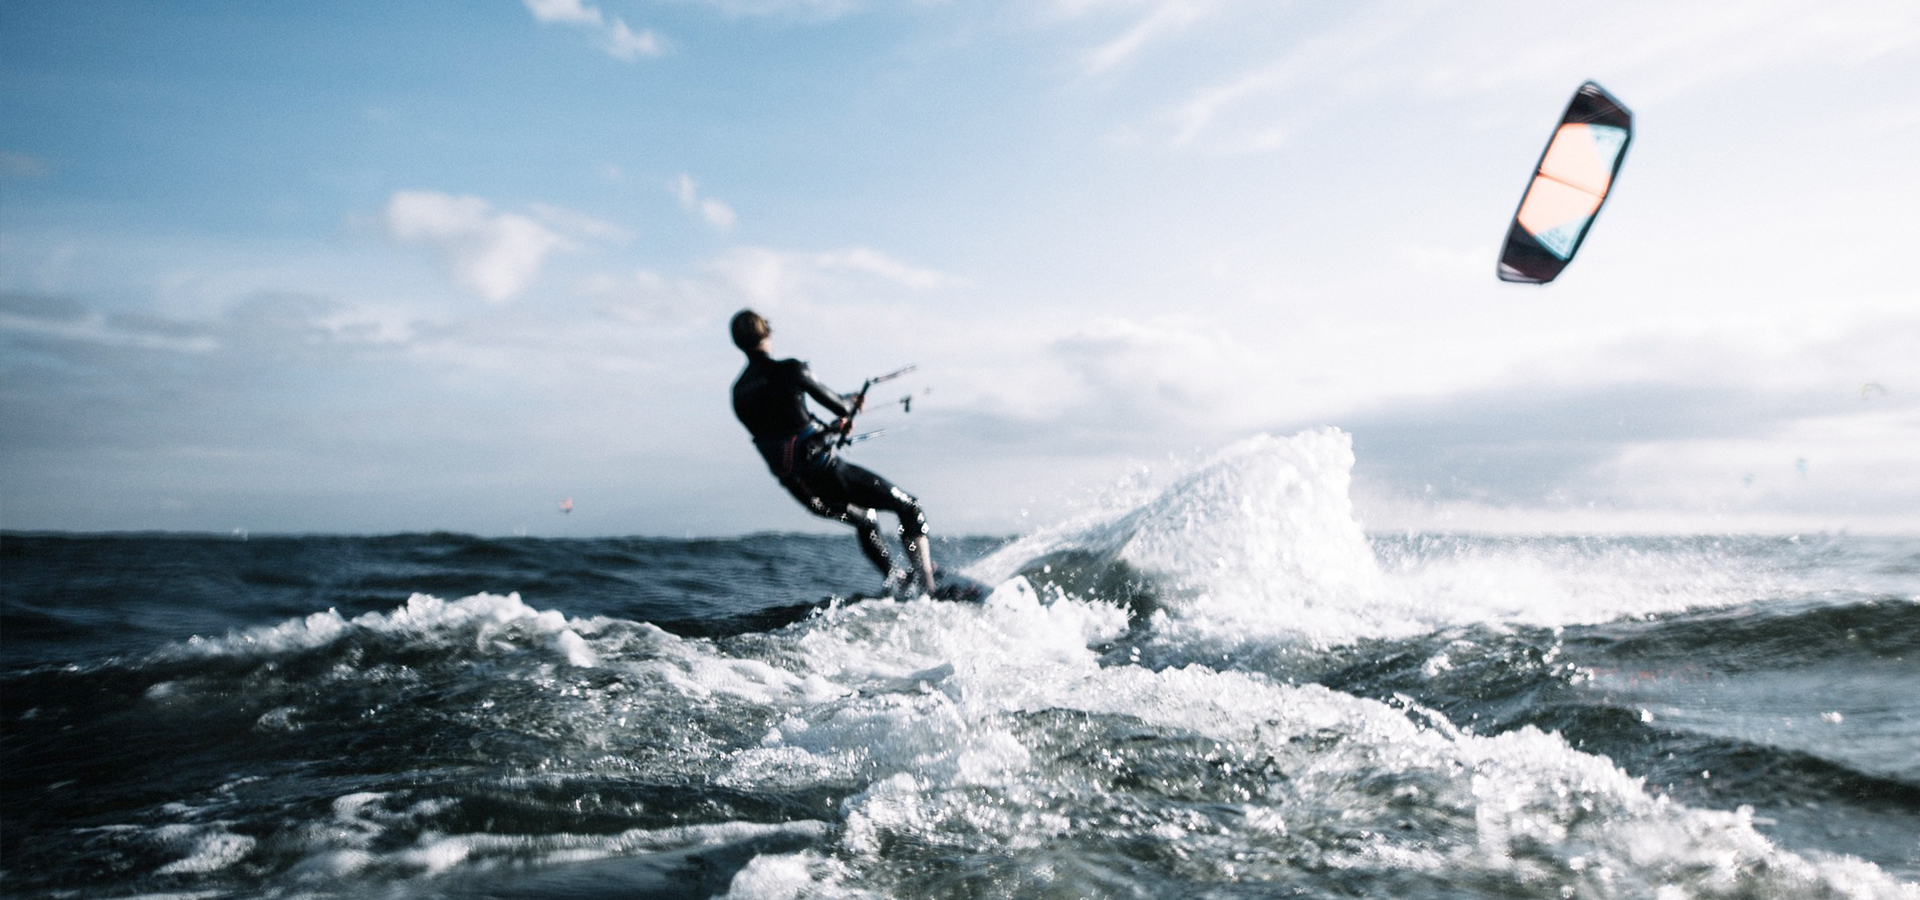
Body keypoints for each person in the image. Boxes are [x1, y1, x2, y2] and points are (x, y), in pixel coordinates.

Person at [728, 309, 936, 594]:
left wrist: (829, 430)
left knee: (865, 520)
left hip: (804, 491)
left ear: (738, 343)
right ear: (766, 333)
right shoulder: (791, 369)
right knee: (910, 508)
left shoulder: (738, 393)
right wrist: (851, 403)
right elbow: (840, 407)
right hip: (828, 473)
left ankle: (898, 581)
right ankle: (929, 589)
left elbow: (783, 431)